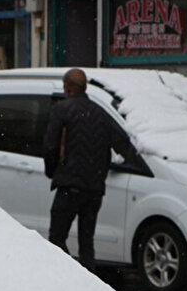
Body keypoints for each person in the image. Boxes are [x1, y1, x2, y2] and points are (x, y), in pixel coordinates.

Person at [43, 68, 139, 271]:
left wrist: (52, 171)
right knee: (87, 241)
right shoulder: (100, 112)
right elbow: (123, 144)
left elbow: (50, 146)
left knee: (57, 238)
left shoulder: (61, 110)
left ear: (68, 88)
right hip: (94, 189)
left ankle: (69, 275)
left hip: (69, 185)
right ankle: (89, 277)